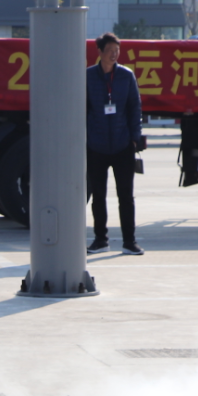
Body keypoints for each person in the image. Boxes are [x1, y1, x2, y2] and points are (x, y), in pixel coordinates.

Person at [85, 32, 145, 256]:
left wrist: (134, 138)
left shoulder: (126, 76)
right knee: (98, 195)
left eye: (117, 51)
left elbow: (134, 108)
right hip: (96, 145)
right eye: (110, 51)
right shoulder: (88, 76)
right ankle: (101, 239)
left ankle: (130, 241)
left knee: (126, 196)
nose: (114, 55)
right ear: (99, 52)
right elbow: (83, 108)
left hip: (122, 145)